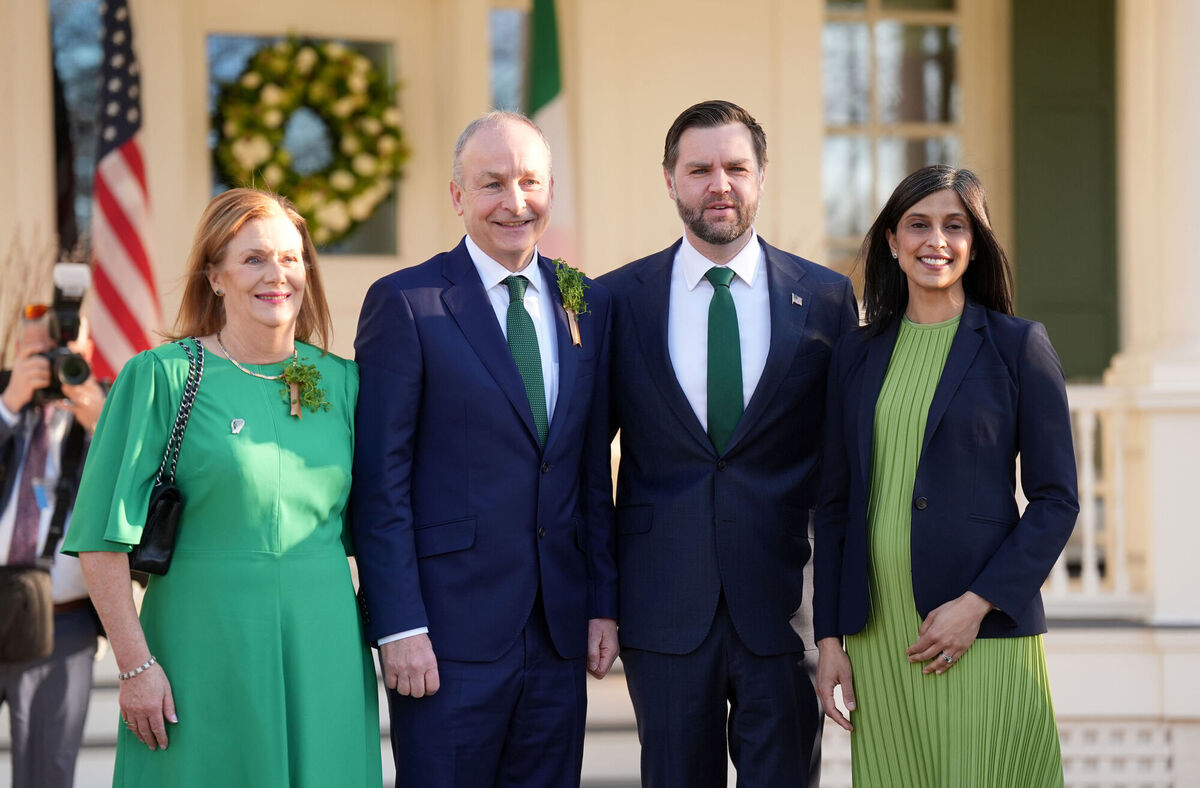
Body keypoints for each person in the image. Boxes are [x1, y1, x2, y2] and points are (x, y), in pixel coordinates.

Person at [62, 188, 382, 786]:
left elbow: (381, 524)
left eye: (291, 258)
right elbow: (100, 543)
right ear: (215, 277)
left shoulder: (341, 383)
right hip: (200, 649)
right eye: (254, 259)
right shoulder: (161, 377)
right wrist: (135, 667)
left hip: (325, 647)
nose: (277, 275)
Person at [352, 111, 618, 787]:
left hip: (557, 633)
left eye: (529, 182)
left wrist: (600, 602)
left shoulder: (582, 298)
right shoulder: (407, 302)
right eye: (492, 183)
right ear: (457, 196)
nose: (514, 201)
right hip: (447, 634)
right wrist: (399, 624)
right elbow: (381, 483)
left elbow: (588, 470)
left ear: (551, 190)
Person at [598, 100, 858, 787]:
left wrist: (837, 620)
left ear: (762, 176)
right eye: (700, 169)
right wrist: (600, 600)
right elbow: (586, 471)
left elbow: (843, 479)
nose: (720, 184)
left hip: (784, 609)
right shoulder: (617, 300)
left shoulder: (828, 299)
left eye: (736, 167)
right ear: (670, 179)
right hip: (662, 609)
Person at [814, 165, 1078, 786]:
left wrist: (977, 605)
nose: (936, 240)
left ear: (975, 241)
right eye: (919, 225)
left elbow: (1056, 500)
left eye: (955, 226)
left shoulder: (1018, 346)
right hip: (878, 637)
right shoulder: (856, 352)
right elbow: (834, 504)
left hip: (978, 630)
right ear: (892, 242)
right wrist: (829, 640)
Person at [0, 307, 105, 788]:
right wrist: (8, 406)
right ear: (19, 353)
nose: (54, 363)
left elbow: (146, 491)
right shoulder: (5, 397)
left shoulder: (110, 409)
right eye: (40, 352)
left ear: (85, 354)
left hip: (63, 619)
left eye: (66, 352)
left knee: (47, 771)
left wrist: (100, 426)